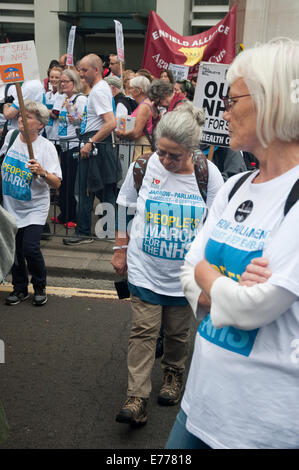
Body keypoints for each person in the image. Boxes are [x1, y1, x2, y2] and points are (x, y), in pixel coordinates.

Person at [166, 38, 299, 449]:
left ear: (270, 100)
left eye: (233, 97)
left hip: (263, 428)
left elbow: (252, 307)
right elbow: (188, 268)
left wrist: (209, 277)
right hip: (199, 407)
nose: (223, 109)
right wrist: (223, 284)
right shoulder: (237, 185)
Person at [112, 102, 223, 426]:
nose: (165, 160)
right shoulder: (144, 166)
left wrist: (209, 273)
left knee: (176, 333)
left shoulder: (208, 174)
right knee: (143, 332)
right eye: (161, 152)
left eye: (174, 155)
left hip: (185, 277)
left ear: (191, 150)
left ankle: (173, 375)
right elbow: (123, 205)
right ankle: (137, 397)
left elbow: (217, 226)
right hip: (145, 269)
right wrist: (121, 249)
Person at [1, 100, 61, 306]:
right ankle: (19, 289)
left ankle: (39, 286)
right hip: (11, 206)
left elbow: (57, 182)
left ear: (40, 125)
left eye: (27, 117)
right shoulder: (12, 137)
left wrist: (42, 172)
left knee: (30, 248)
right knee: (16, 251)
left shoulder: (46, 148)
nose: (20, 119)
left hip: (35, 207)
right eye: (20, 115)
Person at [63, 53, 118, 245]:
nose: (81, 74)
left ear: (97, 69)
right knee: (103, 188)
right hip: (97, 142)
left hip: (95, 144)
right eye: (80, 70)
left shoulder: (99, 90)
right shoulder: (99, 89)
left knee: (85, 189)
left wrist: (90, 142)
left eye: (84, 70)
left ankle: (84, 232)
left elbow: (111, 123)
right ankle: (108, 231)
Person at [51, 69, 87, 229]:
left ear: (74, 82)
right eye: (61, 81)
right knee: (63, 181)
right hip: (63, 143)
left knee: (72, 182)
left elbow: (83, 122)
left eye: (66, 81)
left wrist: (73, 113)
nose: (63, 84)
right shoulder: (63, 98)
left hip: (74, 144)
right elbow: (55, 115)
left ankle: (73, 215)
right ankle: (63, 213)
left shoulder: (80, 99)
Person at [115, 75, 153, 160]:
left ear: (138, 90)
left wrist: (120, 134)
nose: (129, 91)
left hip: (141, 146)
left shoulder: (144, 106)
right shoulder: (145, 104)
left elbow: (136, 133)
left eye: (131, 88)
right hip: (140, 145)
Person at [44, 66, 63, 143]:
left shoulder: (62, 94)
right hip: (46, 133)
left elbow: (55, 114)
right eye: (52, 77)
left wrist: (42, 109)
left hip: (56, 136)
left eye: (57, 77)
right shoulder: (47, 94)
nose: (54, 79)